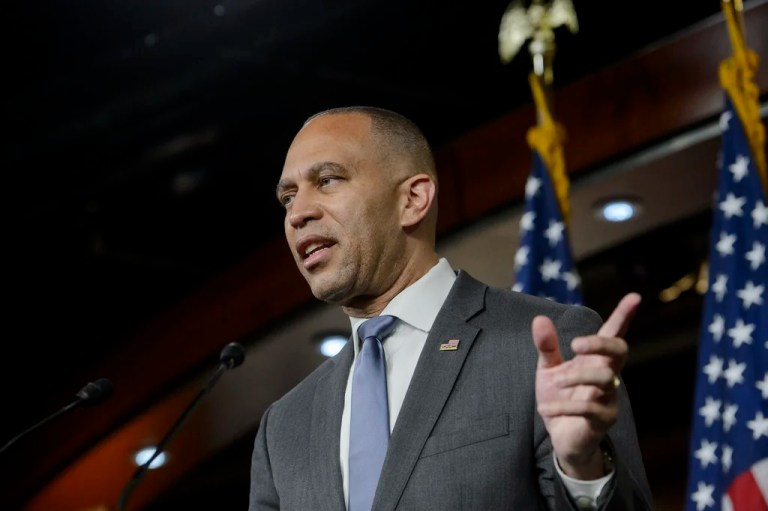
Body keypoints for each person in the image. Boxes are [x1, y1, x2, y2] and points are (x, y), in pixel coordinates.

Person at [249, 105, 654, 510]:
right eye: (288, 197)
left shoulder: (539, 345)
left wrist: (582, 467)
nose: (298, 213)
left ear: (413, 199)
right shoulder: (284, 426)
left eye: (327, 180)